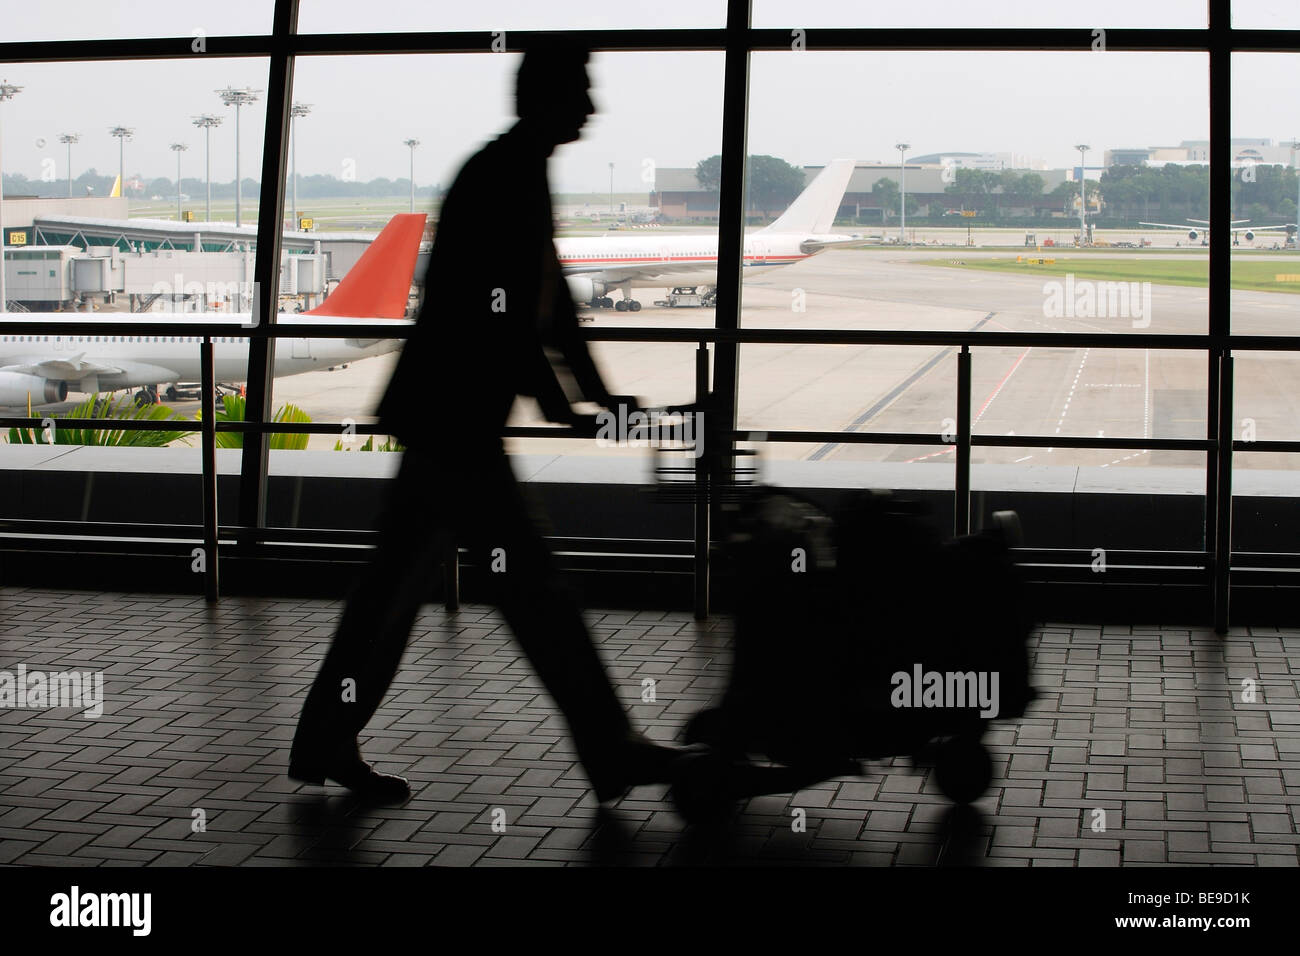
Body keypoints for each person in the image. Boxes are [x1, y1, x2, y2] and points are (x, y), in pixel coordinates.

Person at [288, 38, 683, 805]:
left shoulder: (510, 170)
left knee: (393, 602)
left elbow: (545, 303)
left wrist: (591, 396)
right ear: (546, 96)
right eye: (581, 90)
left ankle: (326, 742)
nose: (593, 107)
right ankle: (610, 749)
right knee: (534, 595)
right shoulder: (506, 176)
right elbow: (509, 317)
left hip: (449, 422)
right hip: (458, 428)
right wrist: (576, 402)